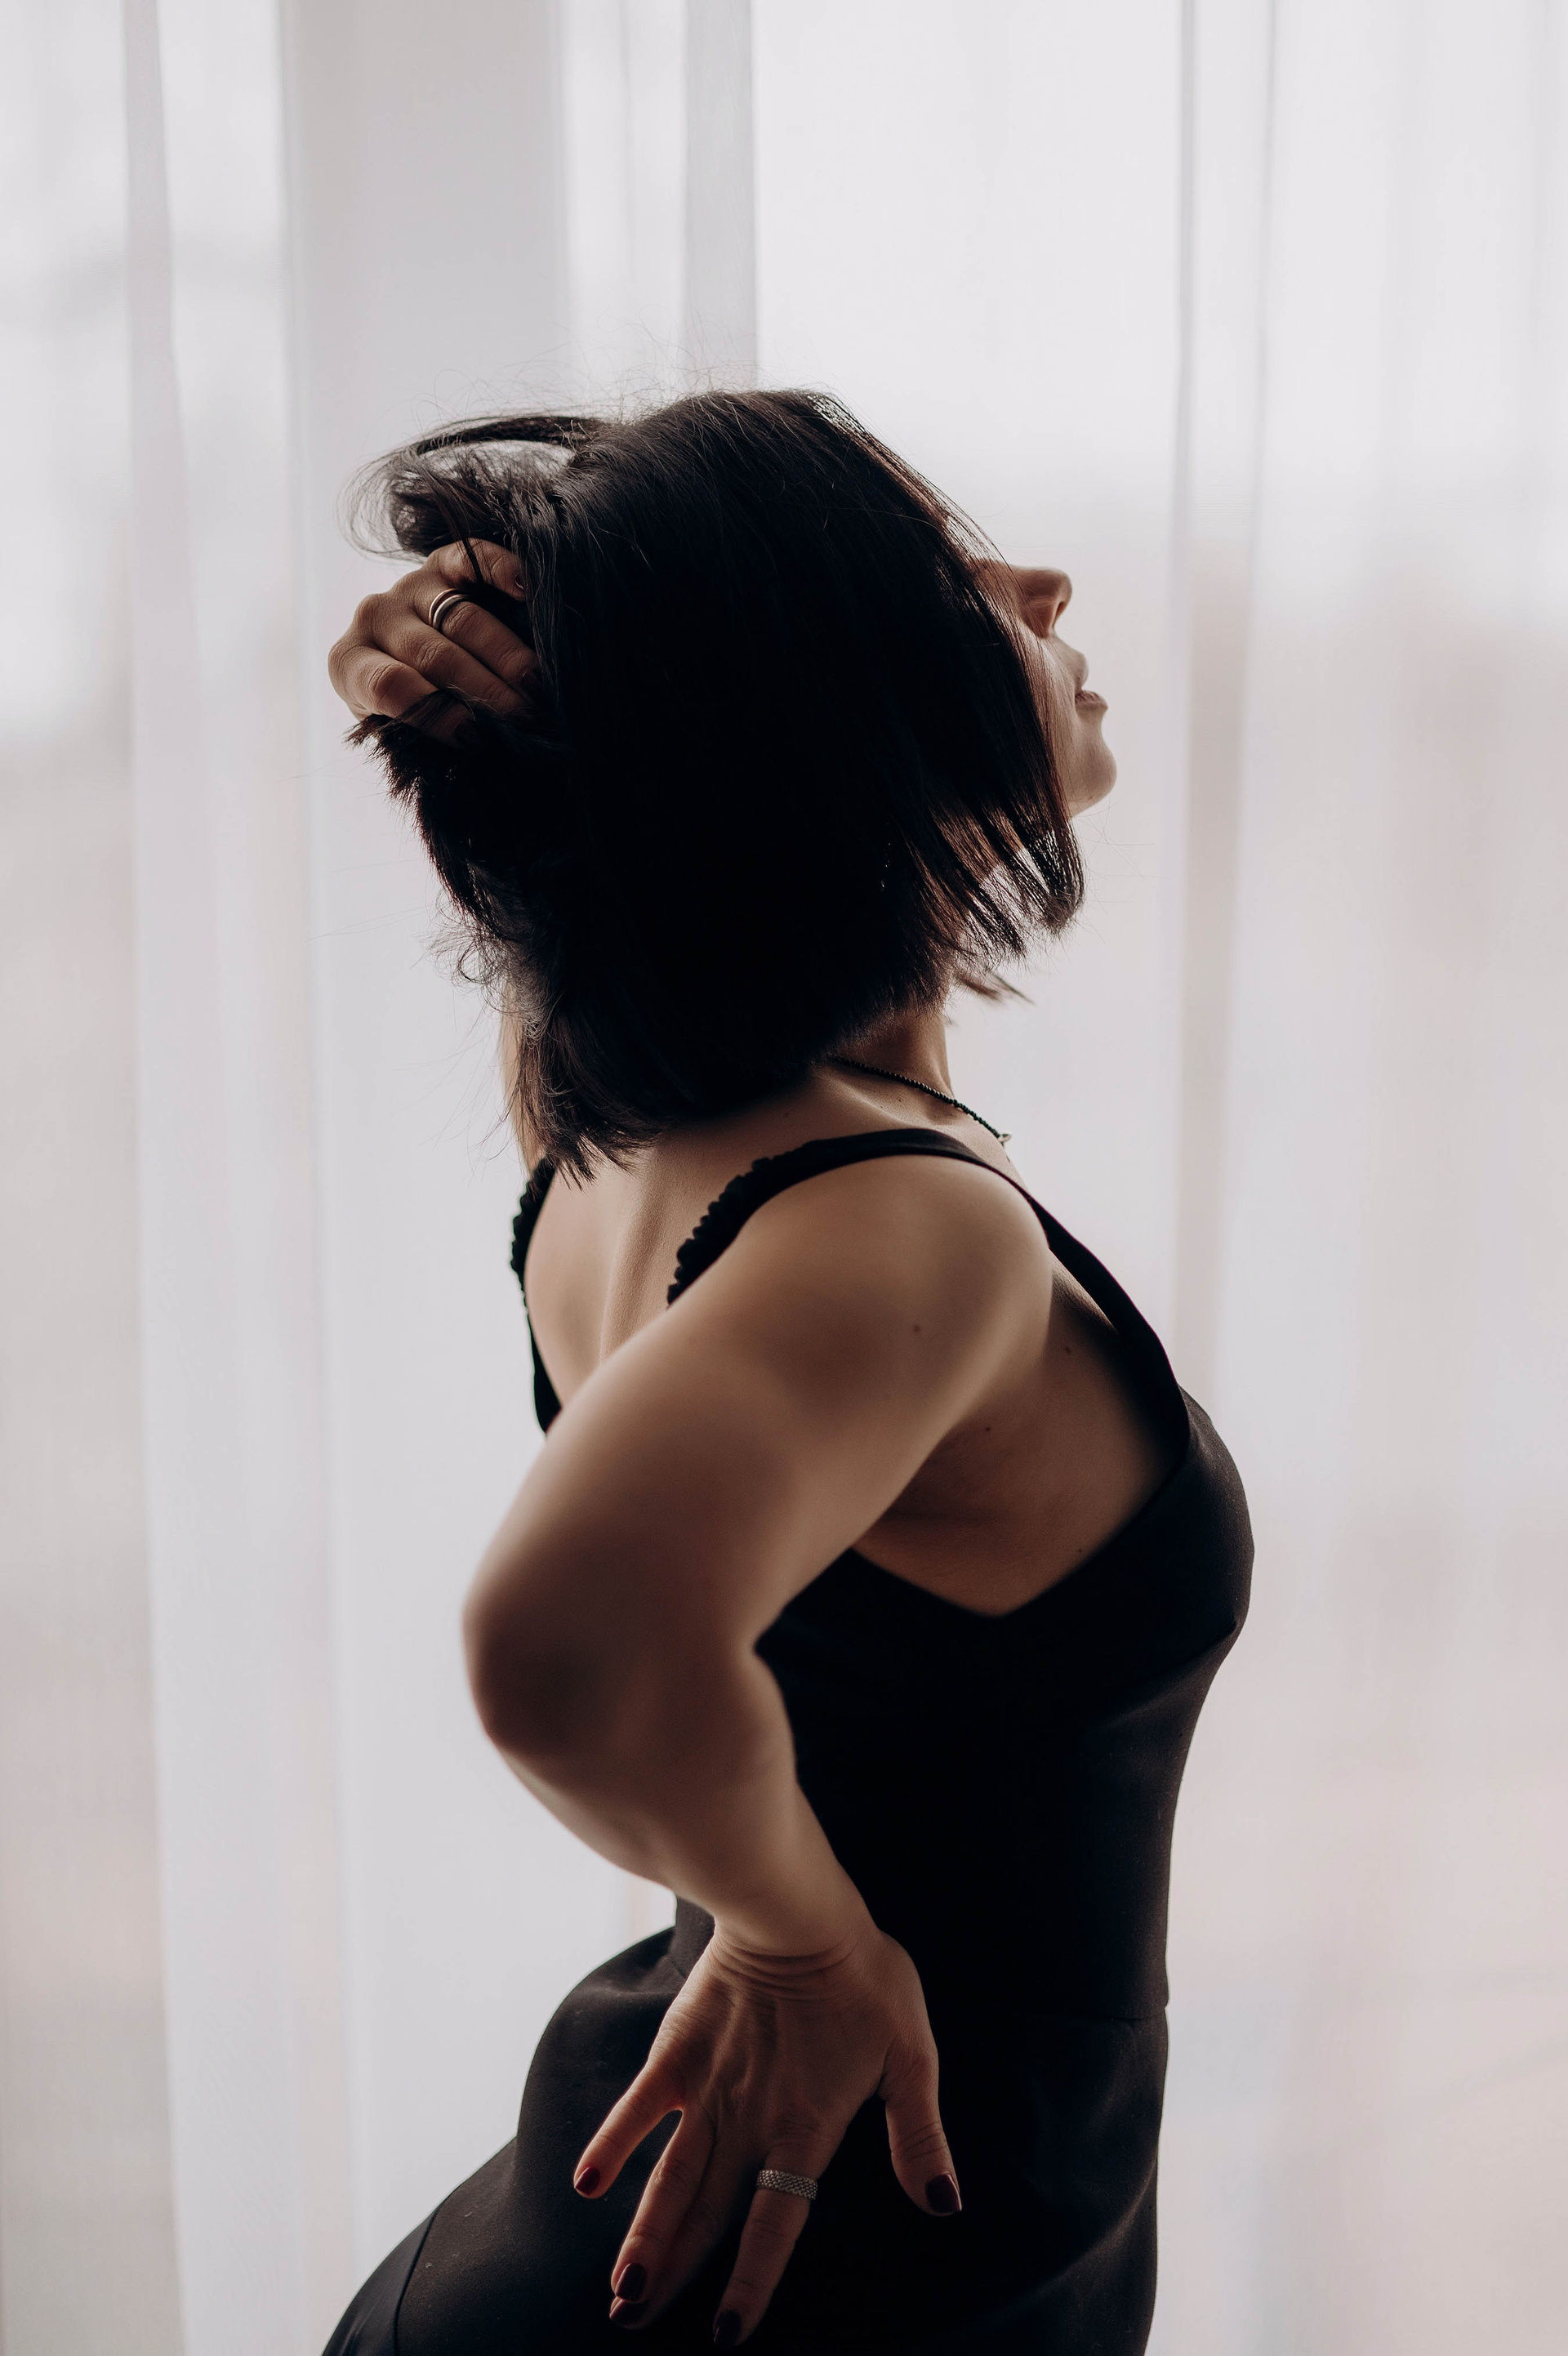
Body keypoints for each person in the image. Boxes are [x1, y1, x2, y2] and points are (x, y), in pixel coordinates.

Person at [320, 390, 1250, 2354]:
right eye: (947, 575)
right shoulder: (901, 1227)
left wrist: (500, 678)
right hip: (823, 2269)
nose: (1040, 582)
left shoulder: (621, 1127)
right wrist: (802, 1938)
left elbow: (627, 839)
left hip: (681, 2237)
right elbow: (561, 1645)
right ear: (821, 697)